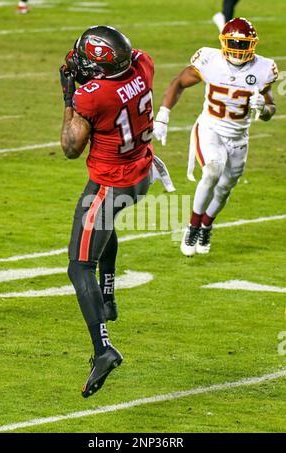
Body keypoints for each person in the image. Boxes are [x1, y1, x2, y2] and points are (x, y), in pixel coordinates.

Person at [60, 26, 155, 397]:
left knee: (79, 265)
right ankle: (110, 293)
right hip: (140, 176)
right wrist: (95, 76)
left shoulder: (93, 97)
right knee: (105, 227)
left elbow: (70, 147)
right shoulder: (143, 66)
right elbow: (125, 71)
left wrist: (69, 95)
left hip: (108, 184)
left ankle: (103, 349)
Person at [153, 18, 278, 257]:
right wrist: (163, 115)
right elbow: (179, 82)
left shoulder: (264, 68)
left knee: (224, 188)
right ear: (224, 42)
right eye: (233, 43)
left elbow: (269, 113)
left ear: (253, 45)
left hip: (239, 136)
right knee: (212, 171)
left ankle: (206, 225)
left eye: (244, 45)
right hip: (211, 127)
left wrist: (263, 108)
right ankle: (192, 227)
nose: (238, 49)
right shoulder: (209, 60)